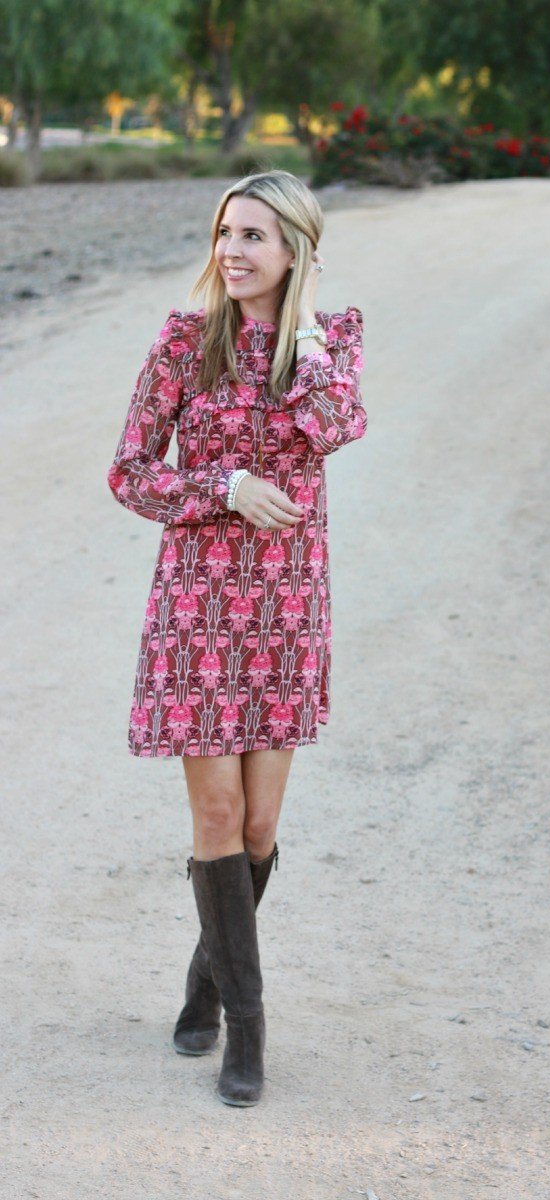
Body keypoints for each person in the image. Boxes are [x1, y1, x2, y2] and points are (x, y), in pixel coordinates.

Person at [106, 168, 368, 1106]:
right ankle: (246, 1031)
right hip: (199, 609)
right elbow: (131, 472)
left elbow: (339, 426)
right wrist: (220, 488)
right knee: (217, 819)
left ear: (295, 247)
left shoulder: (331, 345)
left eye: (254, 235)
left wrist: (300, 338)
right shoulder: (184, 342)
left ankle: (205, 979)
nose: (232, 250)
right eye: (225, 231)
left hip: (287, 608)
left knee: (260, 825)